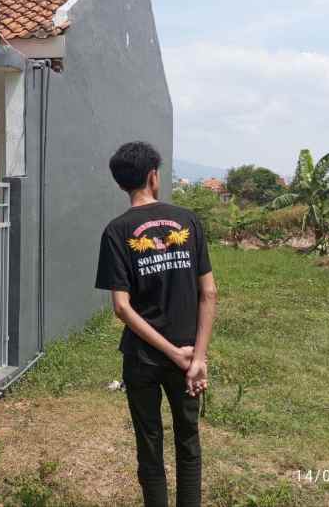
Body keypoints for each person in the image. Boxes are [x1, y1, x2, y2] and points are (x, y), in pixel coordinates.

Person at [95, 141, 218, 507]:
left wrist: (170, 354)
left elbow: (121, 307)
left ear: (121, 184)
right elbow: (208, 293)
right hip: (187, 353)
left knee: (149, 442)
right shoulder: (189, 220)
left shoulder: (116, 231)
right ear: (153, 176)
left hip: (142, 359)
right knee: (188, 441)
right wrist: (195, 358)